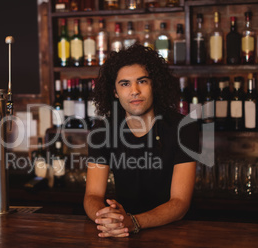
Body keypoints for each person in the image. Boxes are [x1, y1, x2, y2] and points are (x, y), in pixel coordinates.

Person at [84, 43, 199, 238]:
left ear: (154, 84)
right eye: (125, 84)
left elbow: (180, 203)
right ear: (114, 92)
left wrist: (134, 222)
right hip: (122, 233)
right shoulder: (102, 132)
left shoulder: (183, 128)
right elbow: (92, 195)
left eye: (142, 81)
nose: (134, 90)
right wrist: (105, 217)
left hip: (174, 234)